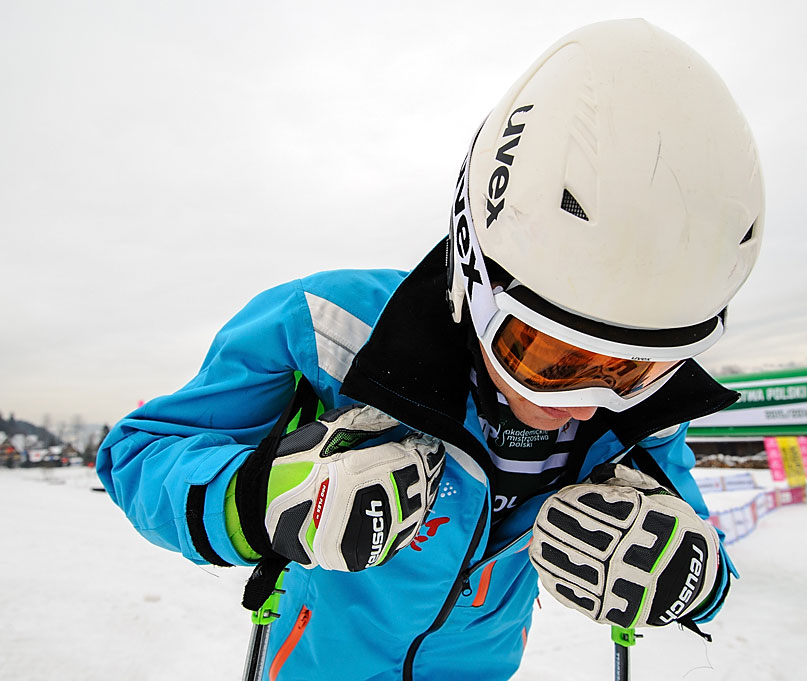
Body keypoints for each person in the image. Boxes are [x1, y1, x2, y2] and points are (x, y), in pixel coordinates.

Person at [97, 18, 764, 681]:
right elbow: (138, 453)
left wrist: (687, 573)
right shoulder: (333, 331)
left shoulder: (641, 420)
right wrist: (261, 500)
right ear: (477, 279)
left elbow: (703, 554)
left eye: (633, 370)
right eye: (548, 358)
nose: (587, 409)